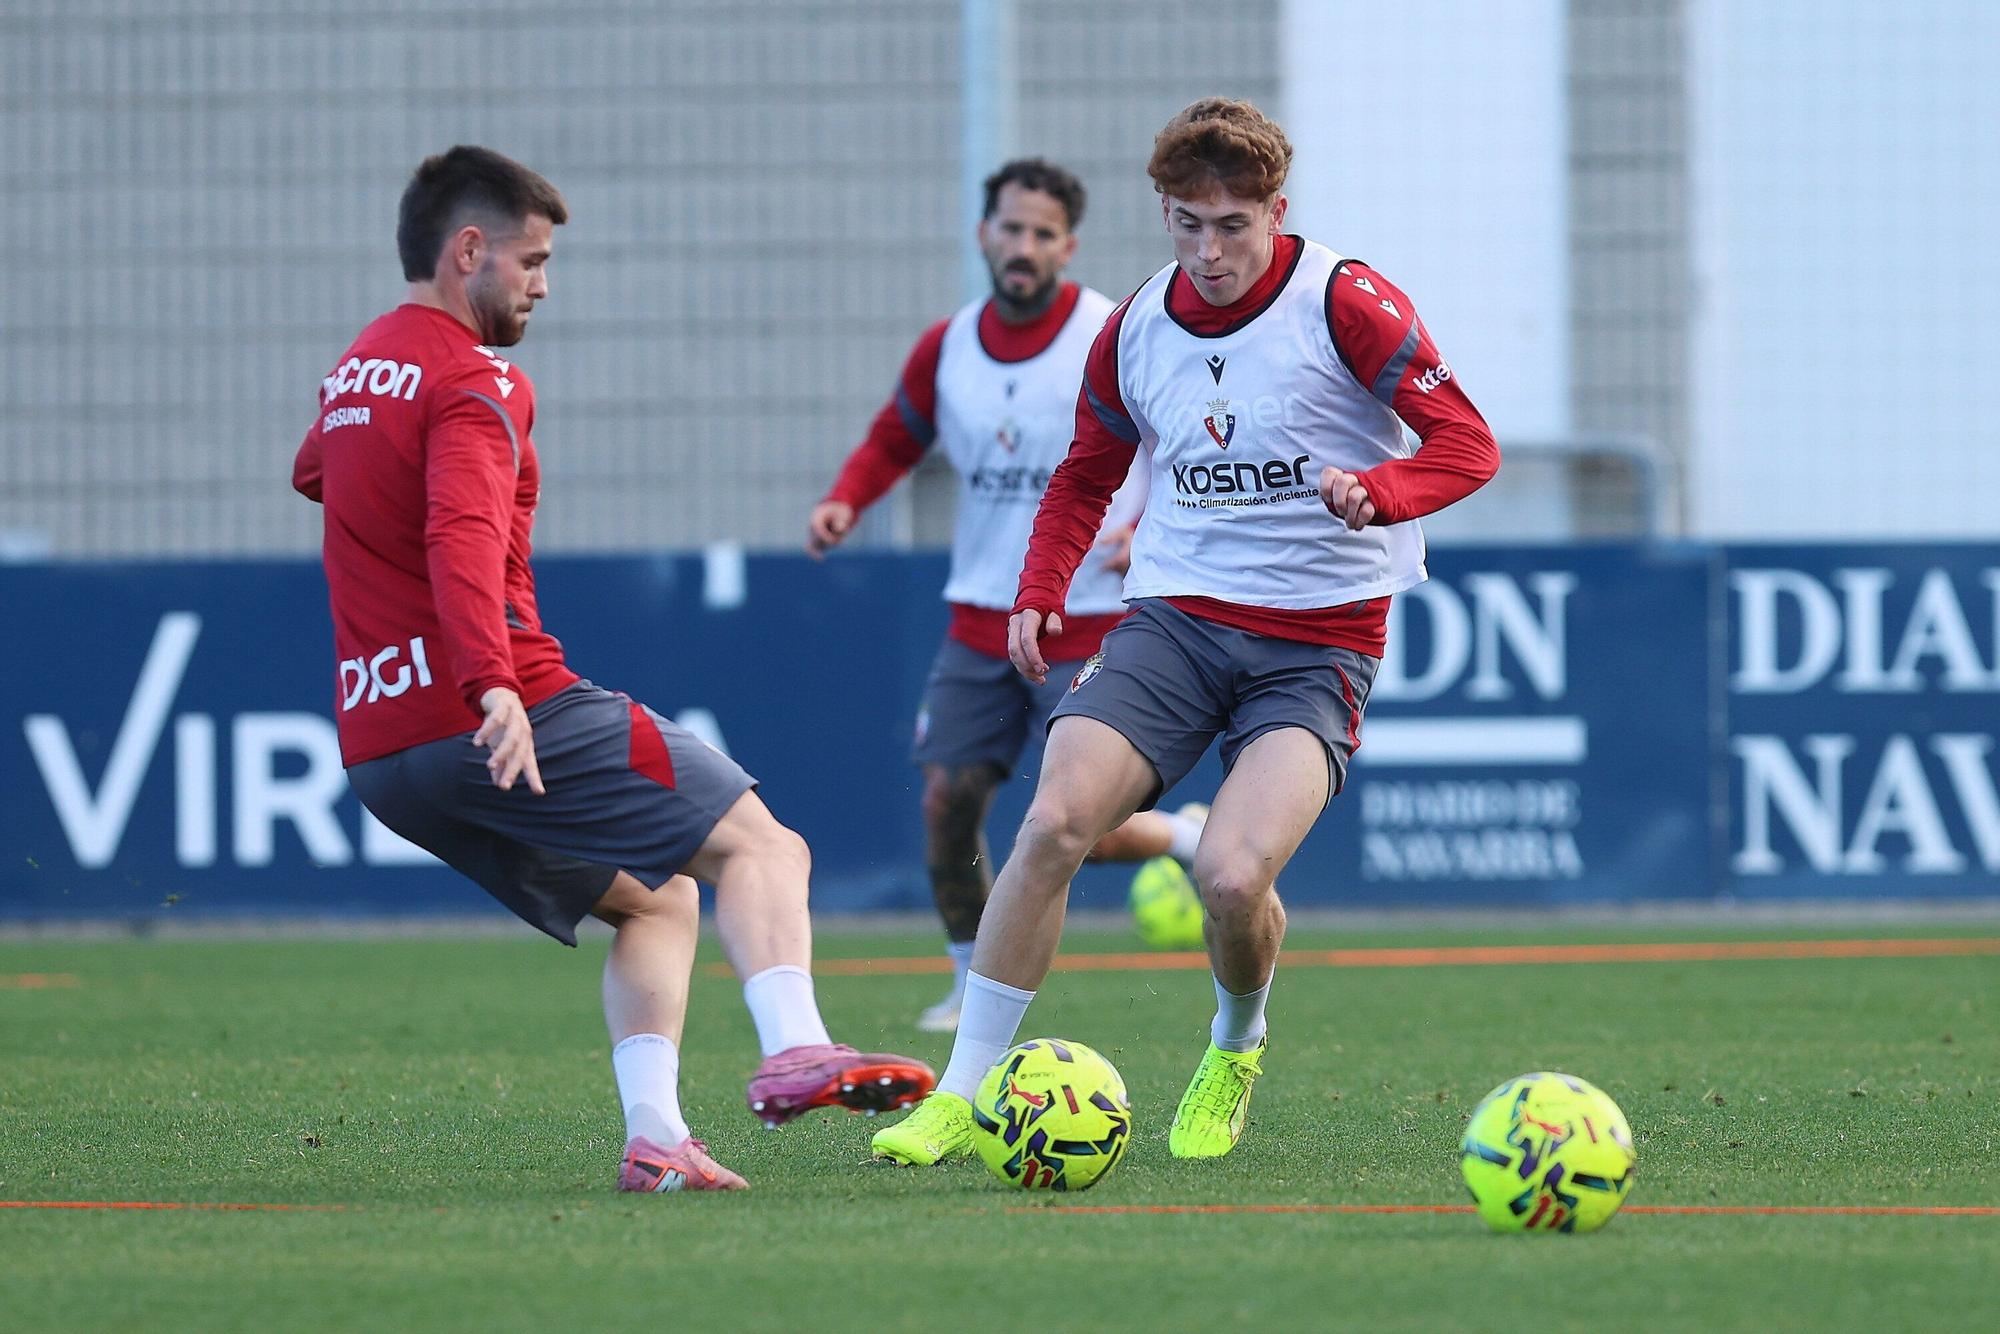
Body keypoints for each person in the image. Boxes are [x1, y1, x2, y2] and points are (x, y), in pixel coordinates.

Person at [292, 145, 935, 1194]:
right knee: (766, 845)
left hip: (380, 746)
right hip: (498, 705)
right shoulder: (476, 376)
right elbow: (460, 534)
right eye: (531, 260)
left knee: (654, 899)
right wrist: (491, 680)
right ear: (468, 252)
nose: (542, 283)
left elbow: (314, 467)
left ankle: (654, 1135)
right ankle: (797, 1046)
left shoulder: (362, 364)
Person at [871, 99, 1500, 1165]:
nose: (1207, 251)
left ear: (1274, 213)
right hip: (1174, 622)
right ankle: (961, 1088)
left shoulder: (1343, 302)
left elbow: (1466, 444)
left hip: (1318, 642)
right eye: (1184, 224)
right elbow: (1083, 472)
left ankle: (1234, 1040)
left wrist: (1382, 490)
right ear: (1161, 214)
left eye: (1230, 227)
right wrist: (1039, 587)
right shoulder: (1135, 326)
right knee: (1054, 817)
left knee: (1226, 876)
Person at [808, 159, 1209, 1032]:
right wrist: (847, 498)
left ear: (1067, 244)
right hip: (980, 622)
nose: (1023, 247)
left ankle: (1185, 840)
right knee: (947, 808)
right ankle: (965, 980)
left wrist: (1149, 526)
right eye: (1010, 229)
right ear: (985, 234)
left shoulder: (1114, 329)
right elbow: (895, 436)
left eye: (1042, 233)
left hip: (1091, 614)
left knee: (1075, 825)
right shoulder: (947, 347)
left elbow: (1183, 438)